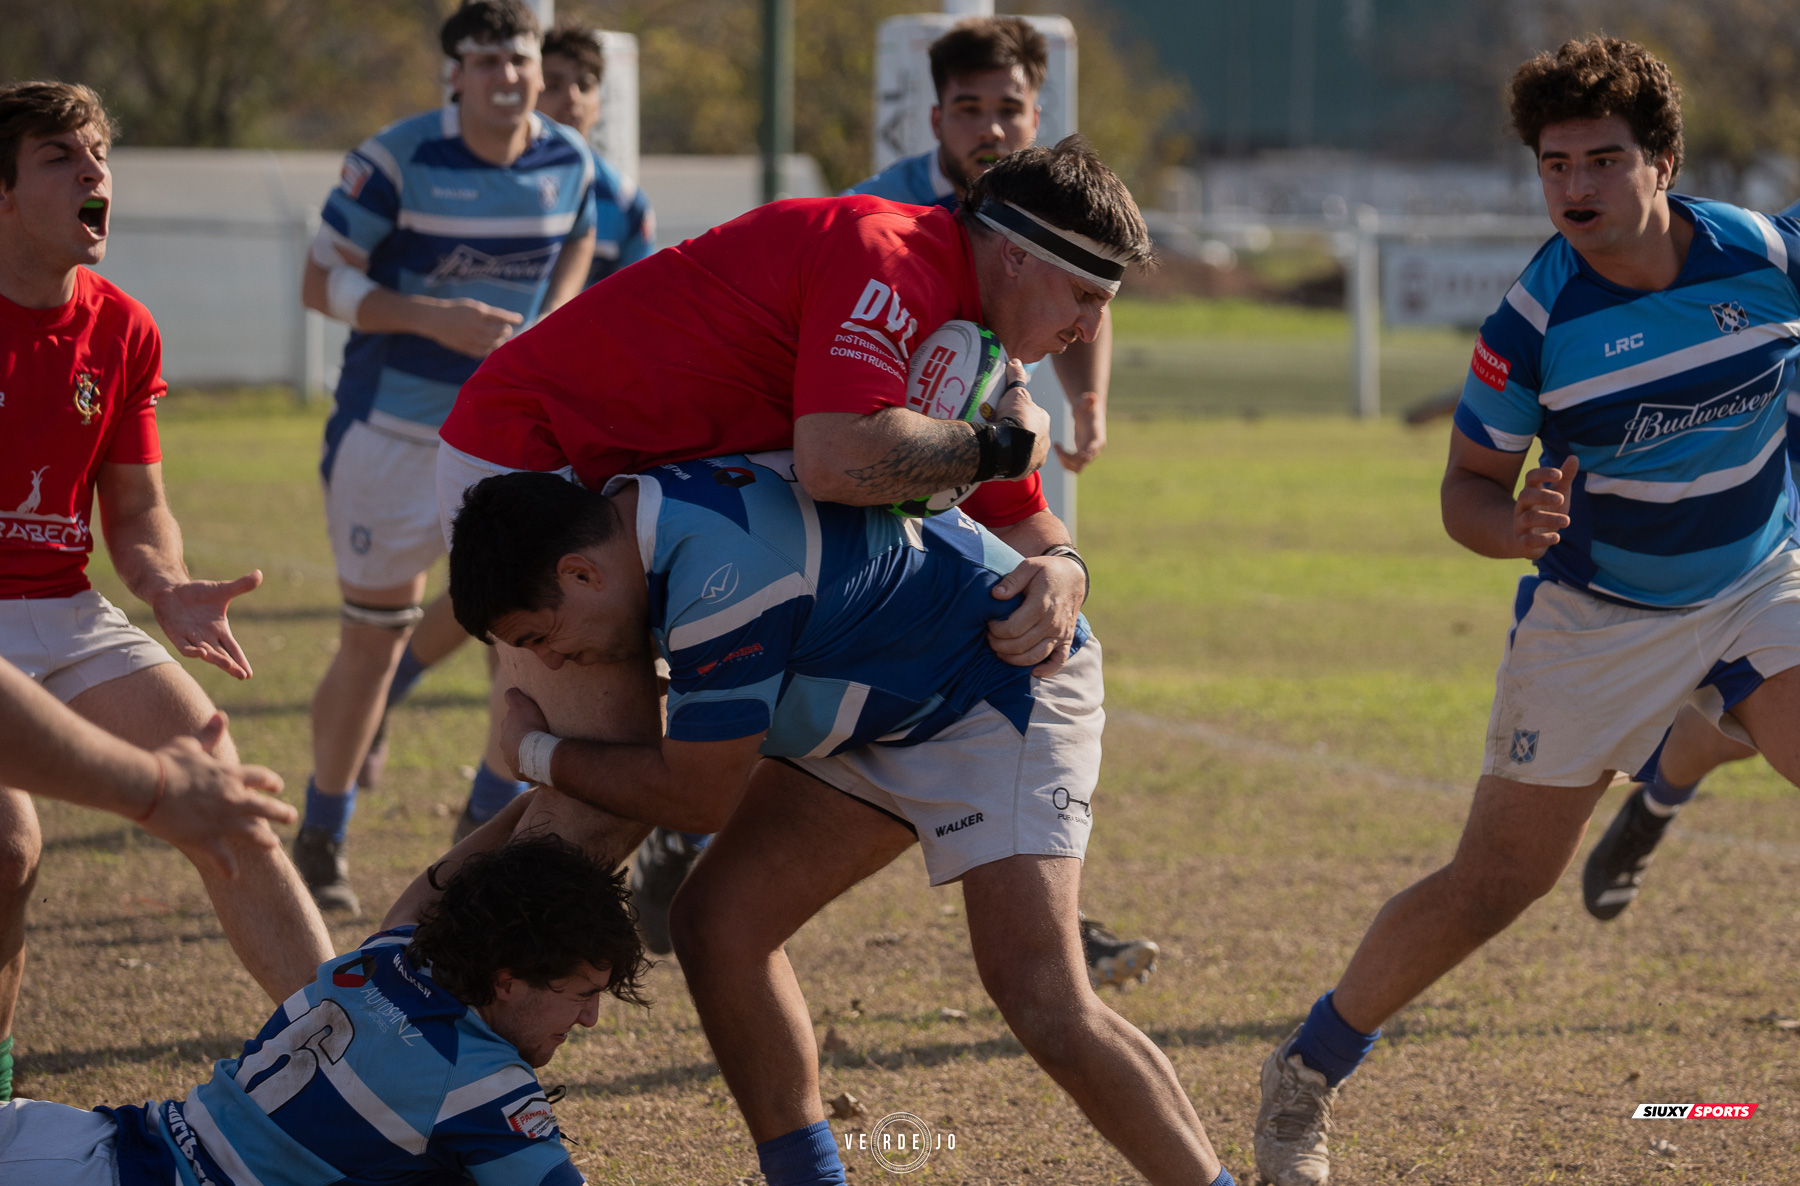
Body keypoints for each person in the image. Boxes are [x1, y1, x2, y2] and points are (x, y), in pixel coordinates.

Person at [1254, 38, 1800, 1186]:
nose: (1576, 189)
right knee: (1495, 886)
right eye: (1555, 166)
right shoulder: (1532, 327)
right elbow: (1463, 487)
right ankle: (1304, 1071)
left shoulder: (1766, 256)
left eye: (1603, 159)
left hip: (1759, 579)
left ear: (1663, 162)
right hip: (1599, 614)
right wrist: (1512, 525)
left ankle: (1695, 745)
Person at [435, 141, 1153, 982]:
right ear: (1017, 253)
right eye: (1086, 295)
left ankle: (404, 964)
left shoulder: (965, 326)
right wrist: (996, 445)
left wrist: (1067, 566)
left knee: (608, 791)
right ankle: (438, 1020)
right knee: (604, 806)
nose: (1090, 329)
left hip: (606, 484)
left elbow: (1009, 503)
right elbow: (838, 457)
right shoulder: (893, 258)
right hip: (539, 465)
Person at [441, 464, 1235, 1186]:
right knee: (720, 924)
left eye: (541, 638)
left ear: (580, 572)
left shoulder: (723, 581)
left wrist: (537, 751)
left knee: (1040, 992)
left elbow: (696, 801)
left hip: (998, 688)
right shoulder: (642, 513)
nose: (549, 663)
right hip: (874, 700)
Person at [0, 79, 333, 1101]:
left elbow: (135, 510)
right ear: (3, 193)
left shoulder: (123, 328)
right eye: (60, 157)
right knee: (7, 848)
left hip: (65, 608)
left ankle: (355, 1067)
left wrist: (167, 584)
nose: (93, 172)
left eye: (99, 153)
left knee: (229, 798)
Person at [298, 0, 601, 913]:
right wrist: (433, 318)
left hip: (507, 437)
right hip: (391, 430)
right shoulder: (394, 157)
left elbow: (581, 234)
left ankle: (487, 822)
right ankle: (324, 828)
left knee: (530, 638)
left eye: (522, 59)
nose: (510, 77)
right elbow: (321, 280)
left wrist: (553, 320)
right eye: (489, 62)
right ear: (456, 74)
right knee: (373, 642)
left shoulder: (569, 160)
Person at [365, 15, 662, 809]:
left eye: (579, 84)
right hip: (478, 425)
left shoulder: (621, 204)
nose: (561, 96)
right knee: (508, 607)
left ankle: (475, 792)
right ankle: (398, 718)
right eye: (551, 78)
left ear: (601, 101)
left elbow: (640, 321)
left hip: (583, 434)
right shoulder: (473, 176)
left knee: (530, 613)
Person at [0, 833, 647, 1185]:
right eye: (584, 993)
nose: (589, 1020)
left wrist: (535, 770)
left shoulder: (389, 955)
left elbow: (446, 880)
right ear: (507, 981)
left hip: (83, 1140)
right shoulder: (482, 1084)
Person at [1581, 214, 1800, 920]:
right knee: (1762, 713)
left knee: (1750, 726)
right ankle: (1654, 803)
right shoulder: (1772, 248)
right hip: (1770, 529)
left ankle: (1653, 805)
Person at [845, 16, 1112, 477]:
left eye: (1008, 109)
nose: (990, 129)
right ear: (936, 119)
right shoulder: (874, 211)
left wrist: (1088, 403)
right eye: (969, 108)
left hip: (998, 434)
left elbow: (1086, 291)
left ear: (1035, 118)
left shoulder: (1054, 205)